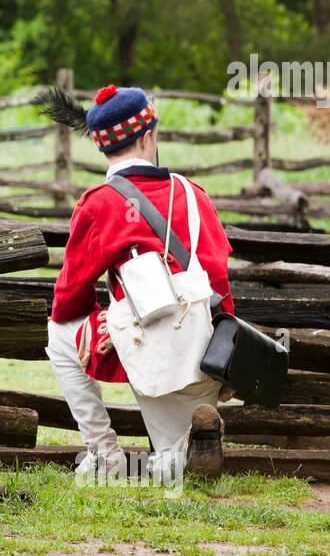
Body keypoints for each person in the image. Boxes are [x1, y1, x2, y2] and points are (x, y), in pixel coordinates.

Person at [42, 84, 235, 480]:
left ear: (104, 147)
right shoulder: (193, 193)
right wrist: (225, 361)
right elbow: (219, 283)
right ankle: (190, 444)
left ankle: (104, 452)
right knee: (170, 460)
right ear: (148, 136)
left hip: (143, 345)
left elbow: (69, 299)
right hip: (201, 348)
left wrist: (111, 322)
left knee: (60, 331)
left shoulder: (98, 202)